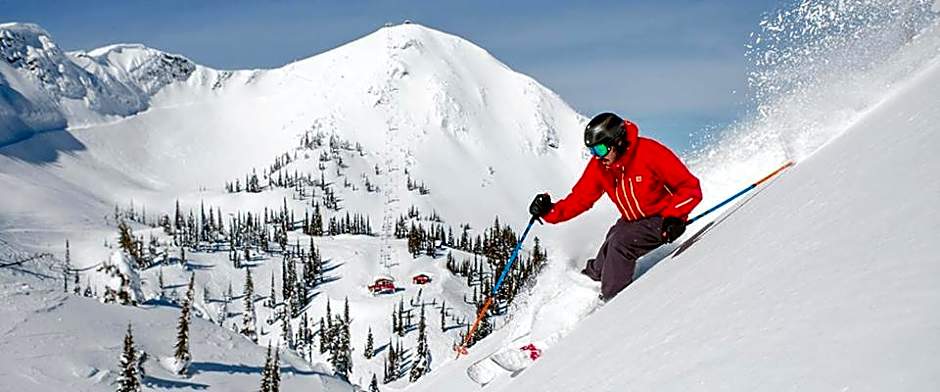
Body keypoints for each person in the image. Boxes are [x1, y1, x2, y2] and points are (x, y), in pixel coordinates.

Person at [529, 112, 702, 301]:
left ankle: (614, 302)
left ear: (618, 142)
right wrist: (550, 211)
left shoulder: (649, 152)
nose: (597, 156)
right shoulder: (601, 167)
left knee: (621, 243)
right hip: (631, 222)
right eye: (592, 151)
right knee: (611, 241)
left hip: (662, 219)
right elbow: (580, 198)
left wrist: (674, 217)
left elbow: (690, 188)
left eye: (601, 149)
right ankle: (589, 281)